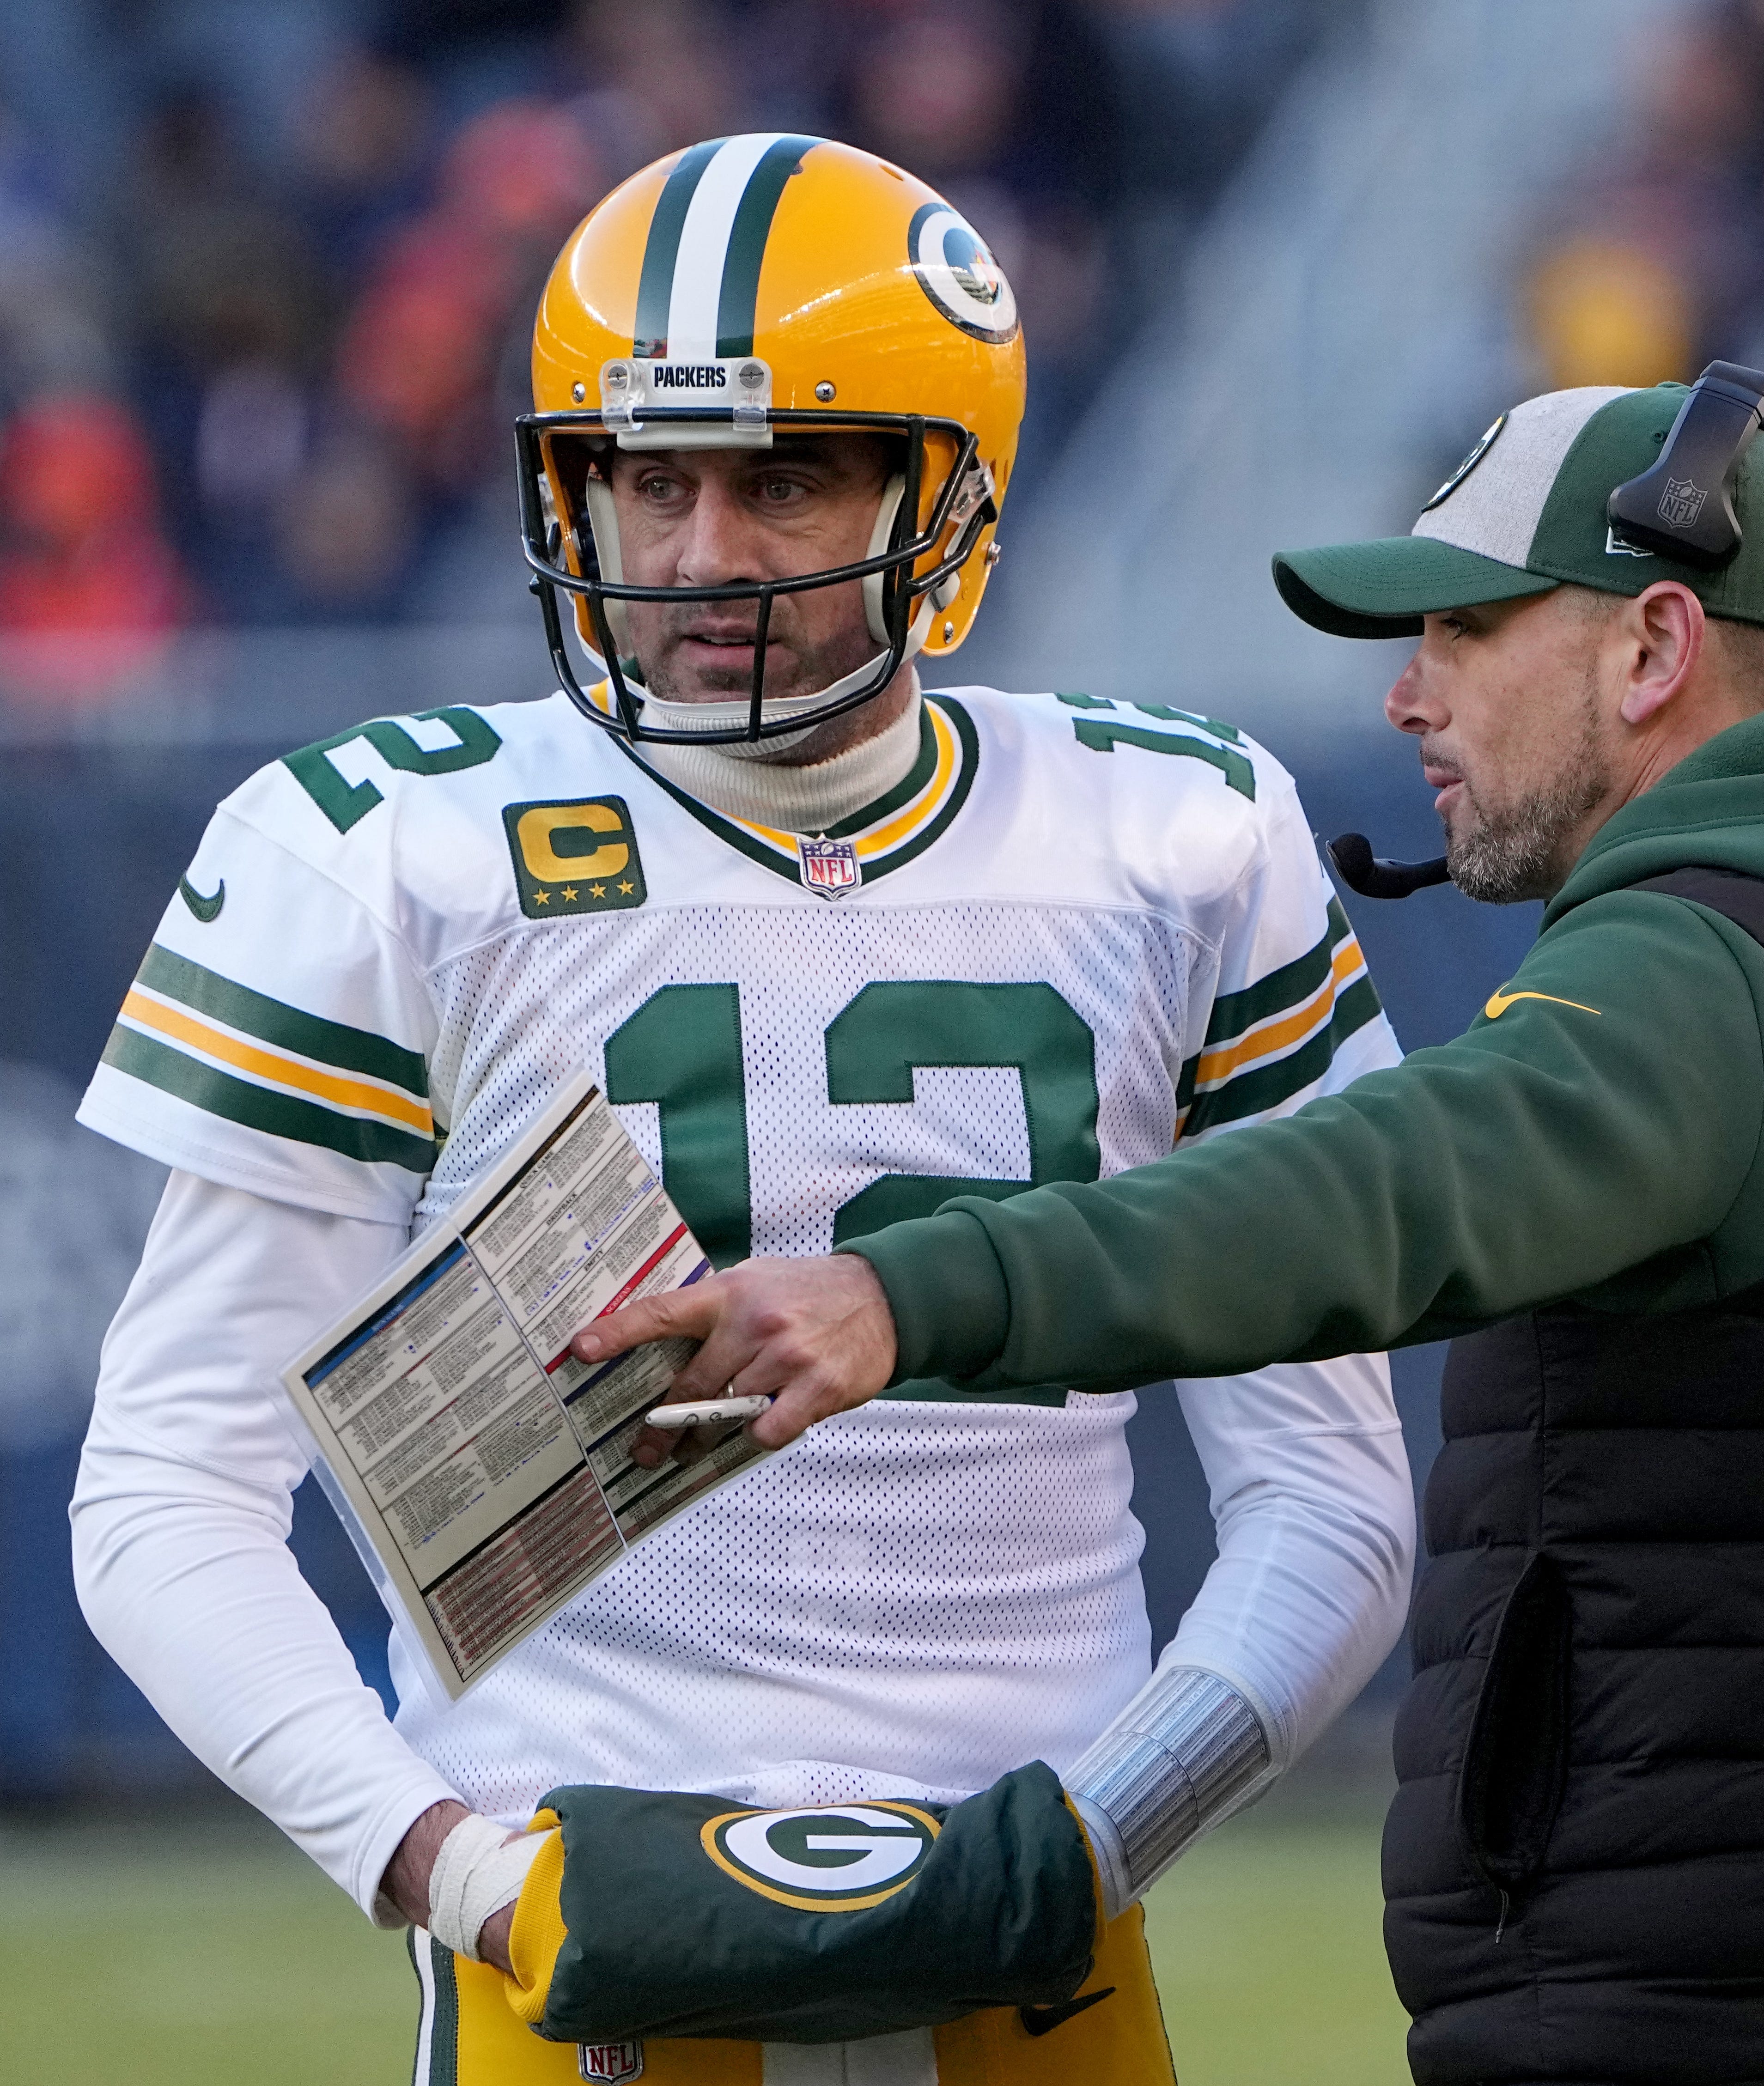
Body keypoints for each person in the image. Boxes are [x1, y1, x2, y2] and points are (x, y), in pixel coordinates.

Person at [571, 372, 1764, 2085]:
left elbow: (1376, 1189)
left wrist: (910, 1288)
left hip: (1747, 2018)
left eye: (1463, 630)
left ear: (1653, 648)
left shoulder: (1716, 969)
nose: (1407, 697)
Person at [68, 133, 1414, 2083]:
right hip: (575, 1940)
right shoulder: (387, 850)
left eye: (781, 479)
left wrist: (1093, 1835)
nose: (697, 555)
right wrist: (465, 1872)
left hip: (1033, 1935)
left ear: (941, 491)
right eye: (647, 478)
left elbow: (1329, 1493)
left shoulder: (1175, 834)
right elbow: (167, 1491)